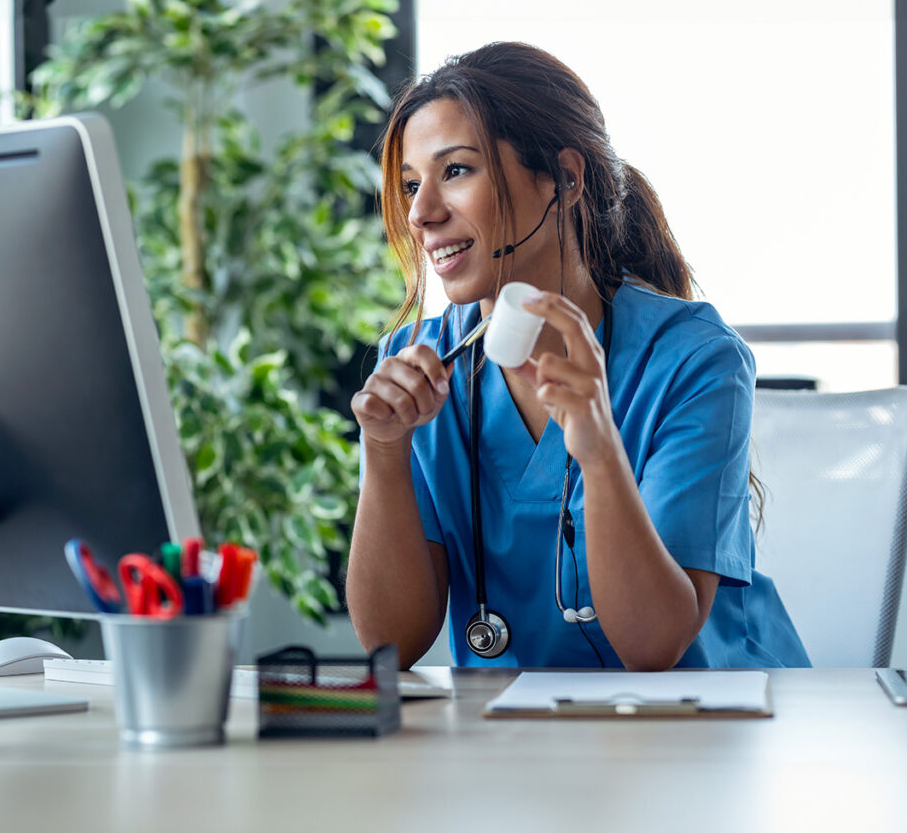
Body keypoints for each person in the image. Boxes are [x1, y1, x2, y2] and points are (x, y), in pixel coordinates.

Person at [345, 41, 810, 671]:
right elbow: (390, 645)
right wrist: (385, 451)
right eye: (409, 185)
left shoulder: (694, 360)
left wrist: (596, 446)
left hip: (703, 733)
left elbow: (652, 646)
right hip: (518, 741)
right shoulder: (415, 364)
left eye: (455, 171)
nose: (421, 212)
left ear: (564, 178)